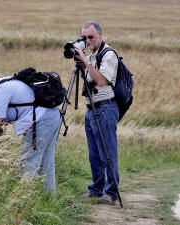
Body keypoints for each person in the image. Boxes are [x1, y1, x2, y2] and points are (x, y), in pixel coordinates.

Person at [0, 66, 61, 194]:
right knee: (46, 162)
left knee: (27, 162)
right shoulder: (5, 83)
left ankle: (23, 200)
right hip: (52, 116)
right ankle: (50, 198)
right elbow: (1, 119)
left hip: (42, 120)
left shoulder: (1, 90)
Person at [74, 21, 120, 204]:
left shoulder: (109, 55)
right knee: (94, 153)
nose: (88, 41)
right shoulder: (92, 55)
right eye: (84, 38)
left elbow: (100, 80)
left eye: (91, 37)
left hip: (105, 108)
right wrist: (83, 61)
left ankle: (111, 193)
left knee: (107, 152)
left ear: (100, 35)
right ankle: (96, 189)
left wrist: (85, 61)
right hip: (91, 109)